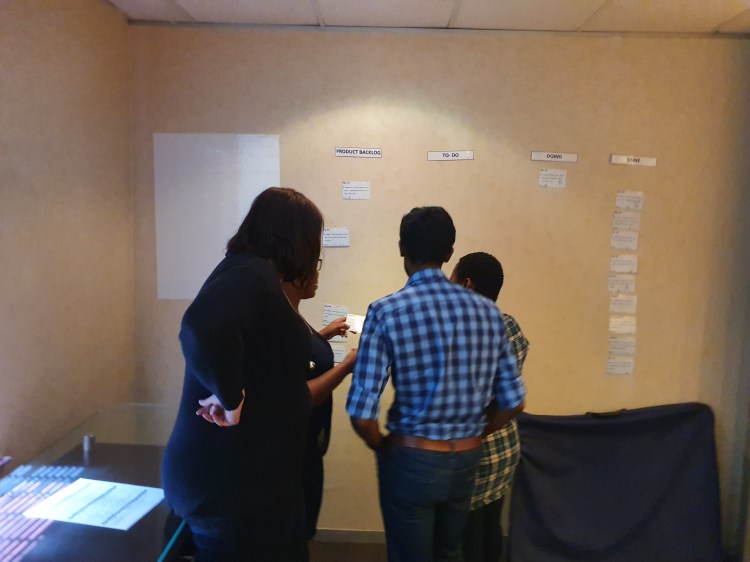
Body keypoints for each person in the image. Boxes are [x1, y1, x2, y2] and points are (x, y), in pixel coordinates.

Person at [346, 207, 526, 562]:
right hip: (466, 459)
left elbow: (362, 414)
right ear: (449, 253)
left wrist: (383, 446)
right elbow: (513, 400)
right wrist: (476, 434)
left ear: (401, 247)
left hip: (412, 457)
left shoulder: (386, 311)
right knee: (450, 551)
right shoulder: (488, 313)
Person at [162, 187, 324, 562]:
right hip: (234, 489)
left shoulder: (247, 271)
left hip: (243, 484)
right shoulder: (252, 273)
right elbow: (202, 326)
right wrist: (231, 399)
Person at [450, 252, 530, 562]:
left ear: (466, 284)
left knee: (466, 537)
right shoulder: (510, 325)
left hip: (473, 454)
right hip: (504, 450)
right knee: (490, 527)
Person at [281, 265, 357, 540]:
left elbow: (301, 361)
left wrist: (323, 335)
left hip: (308, 445)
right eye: (313, 266)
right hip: (292, 453)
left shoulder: (293, 315)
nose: (318, 274)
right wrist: (347, 365)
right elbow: (298, 395)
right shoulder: (281, 321)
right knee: (294, 534)